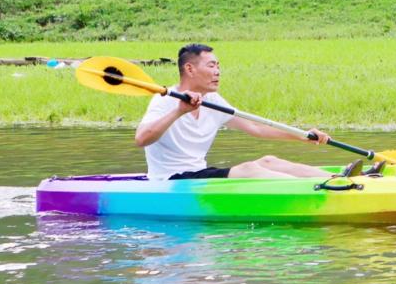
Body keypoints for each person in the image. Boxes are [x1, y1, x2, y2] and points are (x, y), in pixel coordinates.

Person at [134, 43, 336, 181]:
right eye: (211, 66)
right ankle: (318, 189)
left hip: (200, 173)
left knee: (268, 161)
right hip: (171, 179)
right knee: (248, 169)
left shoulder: (212, 100)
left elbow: (255, 127)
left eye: (218, 66)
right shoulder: (165, 100)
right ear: (190, 69)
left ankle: (342, 179)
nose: (217, 72)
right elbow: (141, 139)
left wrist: (302, 137)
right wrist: (179, 111)